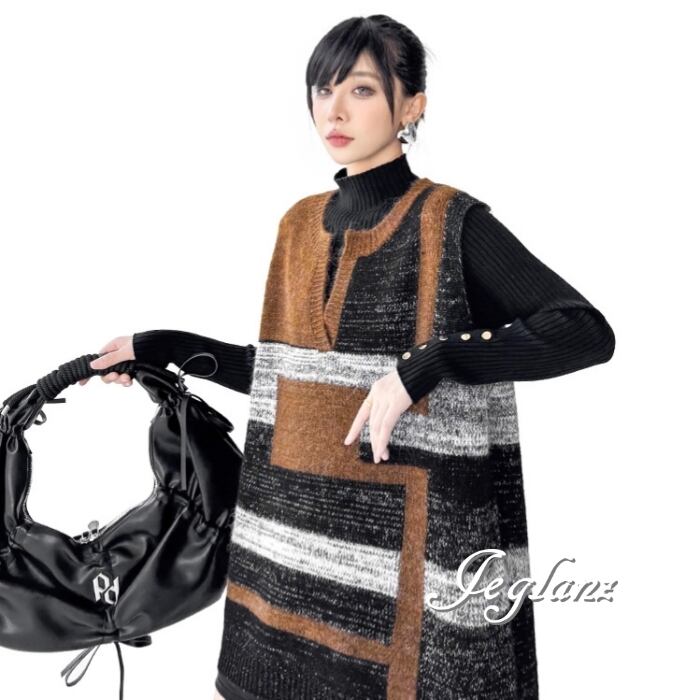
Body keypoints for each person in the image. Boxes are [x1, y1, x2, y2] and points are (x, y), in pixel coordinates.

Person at [83, 15, 615, 700]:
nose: (333, 110)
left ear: (412, 106)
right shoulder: (298, 224)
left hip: (409, 570)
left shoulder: (451, 222)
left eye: (361, 89)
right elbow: (292, 381)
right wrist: (164, 348)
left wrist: (425, 366)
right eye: (322, 89)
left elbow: (583, 331)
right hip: (284, 560)